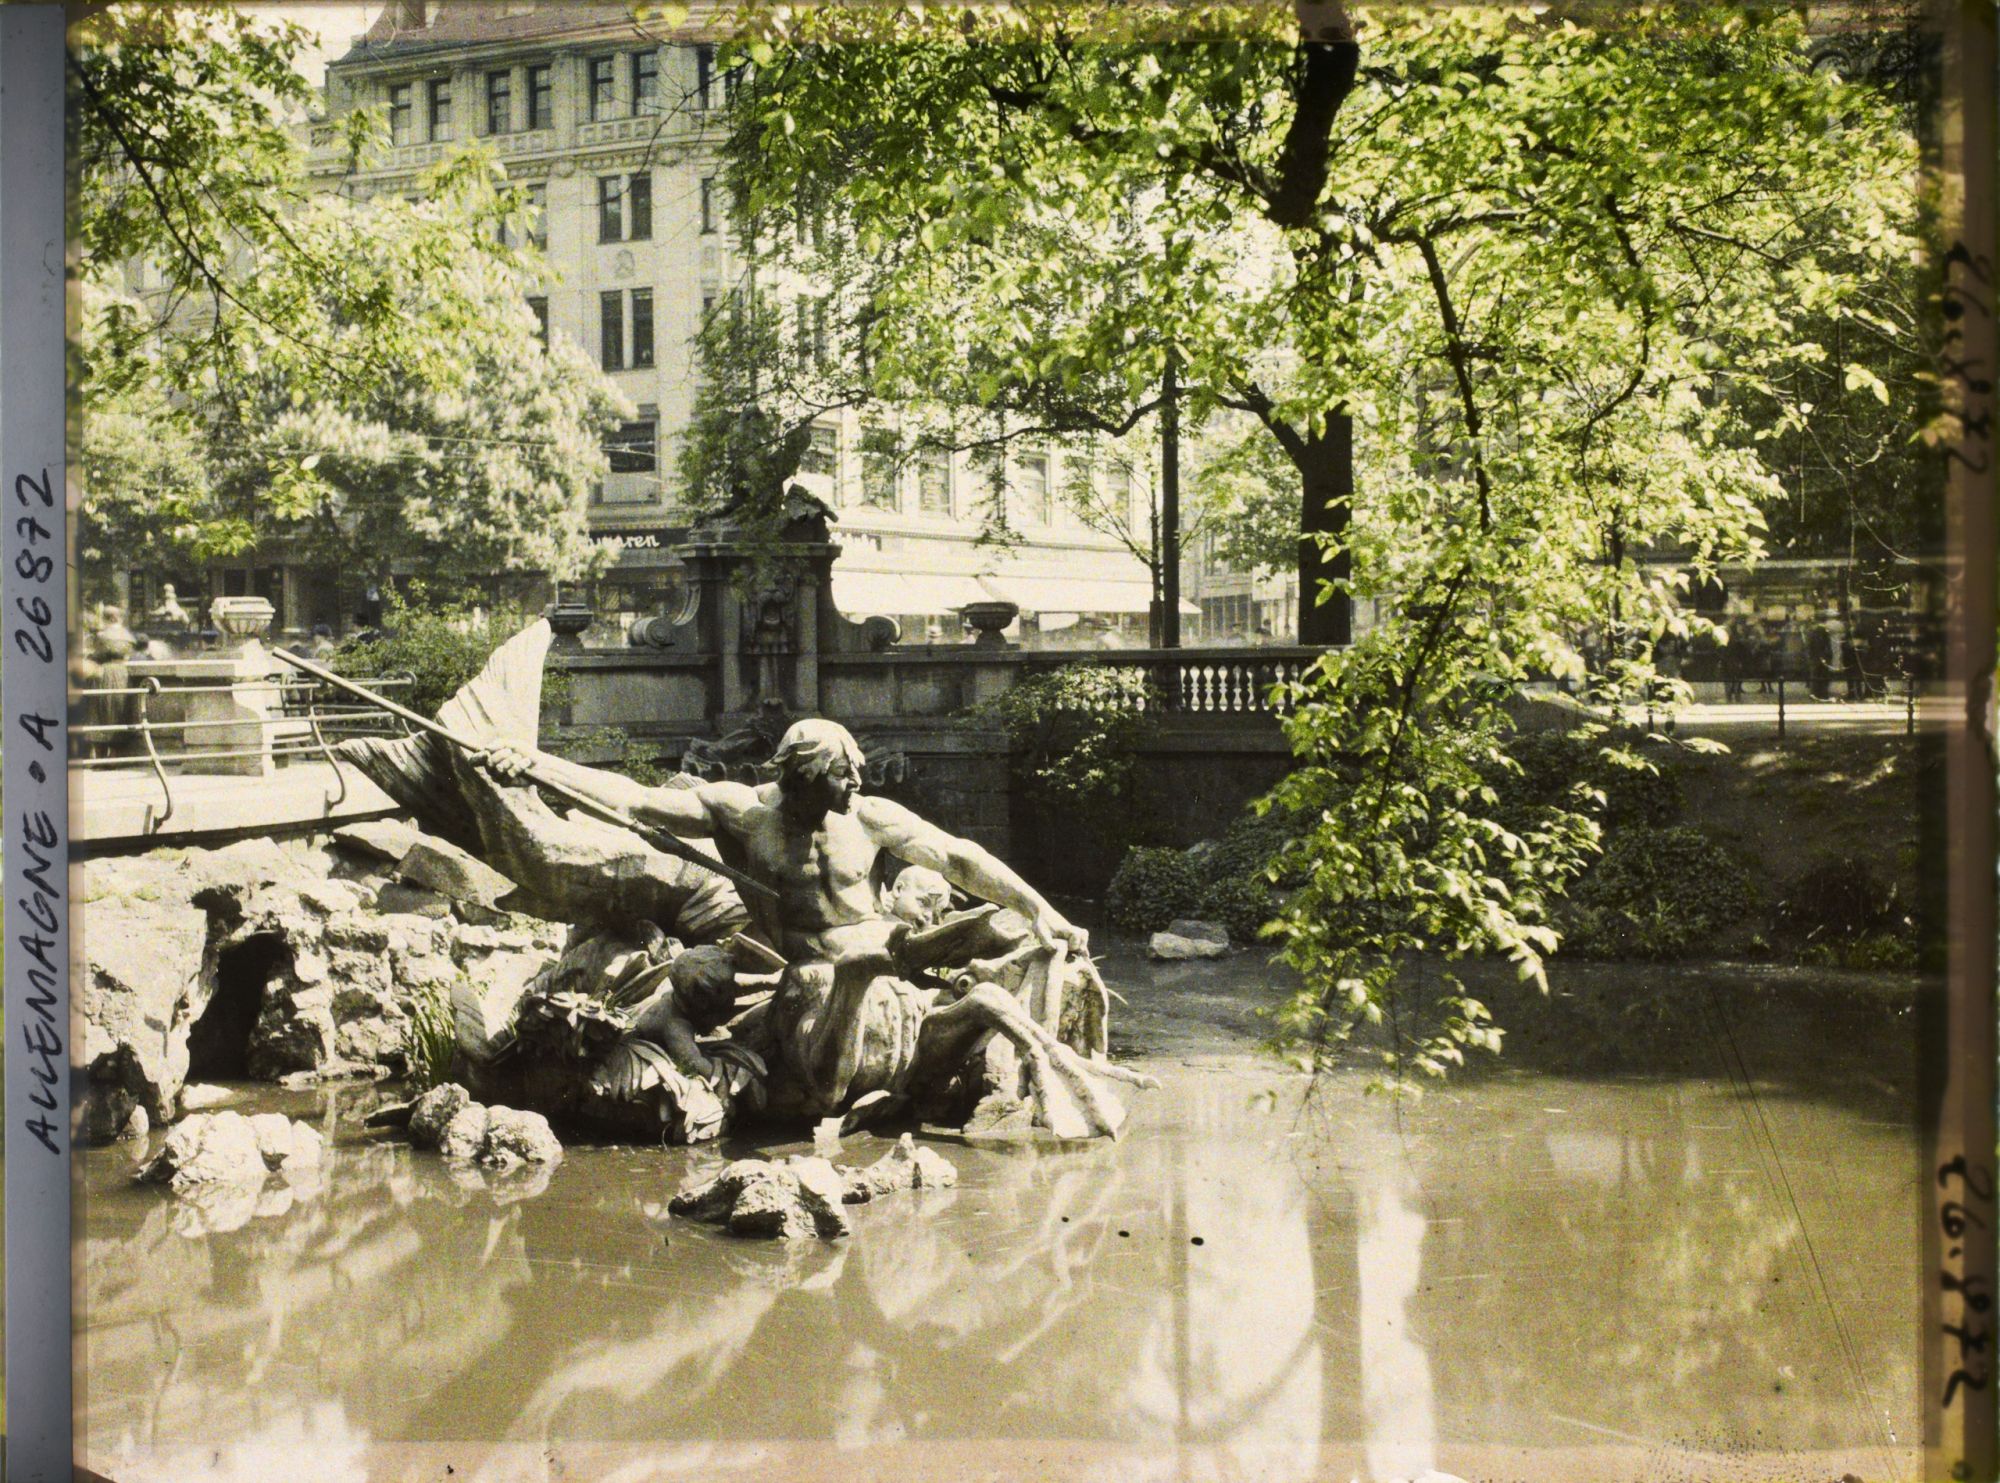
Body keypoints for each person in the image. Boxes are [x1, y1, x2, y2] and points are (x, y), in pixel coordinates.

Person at [478, 718, 1152, 1138]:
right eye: (842, 772)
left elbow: (957, 857)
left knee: (1004, 931)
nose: (857, 779)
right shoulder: (748, 816)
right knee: (820, 1044)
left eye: (856, 769)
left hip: (894, 970)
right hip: (811, 986)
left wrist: (1043, 908)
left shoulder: (869, 816)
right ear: (803, 779)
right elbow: (635, 799)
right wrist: (534, 763)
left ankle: (1041, 1066)